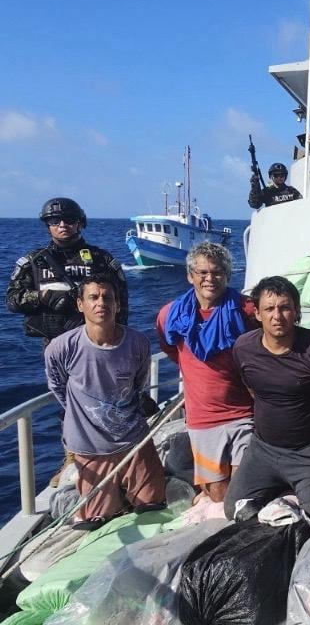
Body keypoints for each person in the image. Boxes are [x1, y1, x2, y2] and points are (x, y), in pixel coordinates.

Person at [44, 275, 165, 529]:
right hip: (90, 447)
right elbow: (57, 386)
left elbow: (137, 384)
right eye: (93, 297)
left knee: (152, 510)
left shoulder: (138, 343)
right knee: (97, 522)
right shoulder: (61, 348)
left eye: (107, 297)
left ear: (117, 305)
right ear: (80, 304)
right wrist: (83, 417)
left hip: (133, 440)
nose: (101, 303)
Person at [157, 242, 257, 503]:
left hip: (243, 414)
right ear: (190, 275)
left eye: (216, 272)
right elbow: (170, 348)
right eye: (202, 272)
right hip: (203, 420)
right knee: (218, 495)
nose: (209, 278)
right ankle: (205, 491)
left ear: (227, 276)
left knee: (241, 491)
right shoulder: (170, 315)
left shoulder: (245, 310)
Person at [227, 276, 310, 520]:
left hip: (307, 451)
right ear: (257, 314)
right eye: (269, 309)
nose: (278, 316)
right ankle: (282, 490)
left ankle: (293, 489)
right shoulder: (244, 348)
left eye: (285, 307)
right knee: (234, 509)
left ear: (296, 311)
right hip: (263, 449)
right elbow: (252, 388)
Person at [7, 197, 128, 344]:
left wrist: (118, 340)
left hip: (98, 342)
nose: (62, 225)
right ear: (48, 226)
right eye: (55, 221)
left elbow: (121, 303)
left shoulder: (102, 260)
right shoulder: (34, 262)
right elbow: (12, 300)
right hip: (54, 343)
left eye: (69, 219)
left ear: (80, 223)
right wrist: (44, 296)